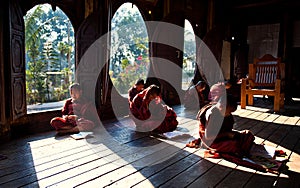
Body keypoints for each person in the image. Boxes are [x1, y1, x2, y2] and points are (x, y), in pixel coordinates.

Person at [186, 94, 255, 158]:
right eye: (229, 112)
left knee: (248, 134)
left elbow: (227, 128)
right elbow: (208, 136)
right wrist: (227, 134)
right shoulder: (212, 114)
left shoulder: (222, 111)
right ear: (222, 106)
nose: (229, 114)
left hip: (222, 136)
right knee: (234, 145)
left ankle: (242, 147)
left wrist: (232, 134)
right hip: (211, 142)